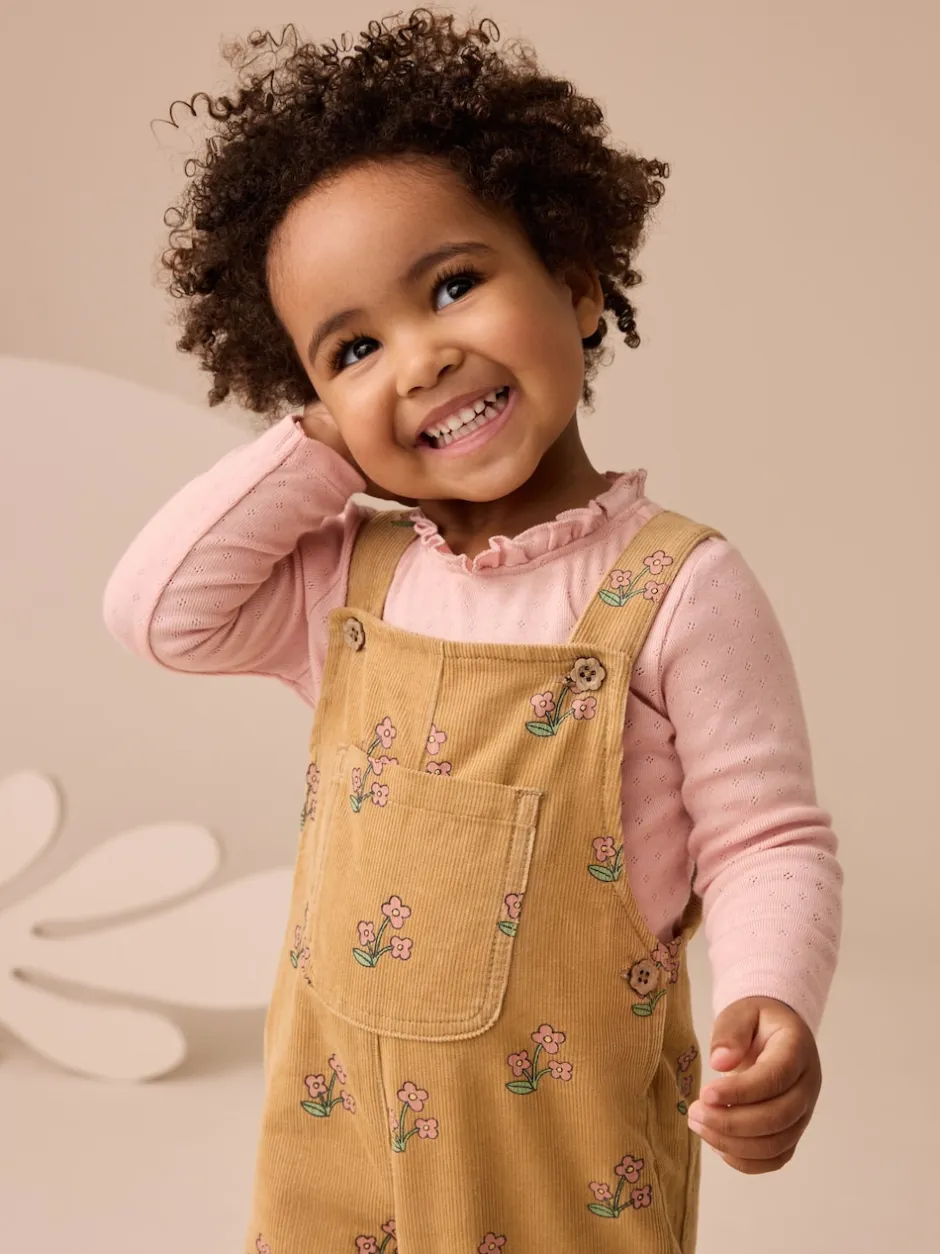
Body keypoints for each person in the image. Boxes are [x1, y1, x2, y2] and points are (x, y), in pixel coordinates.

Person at [103, 11, 843, 1252]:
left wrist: (772, 997)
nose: (420, 359)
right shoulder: (351, 582)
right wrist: (328, 439)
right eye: (354, 347)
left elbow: (766, 837)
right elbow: (157, 612)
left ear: (576, 283)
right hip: (336, 1126)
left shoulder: (678, 588)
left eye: (454, 286)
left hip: (561, 1144)